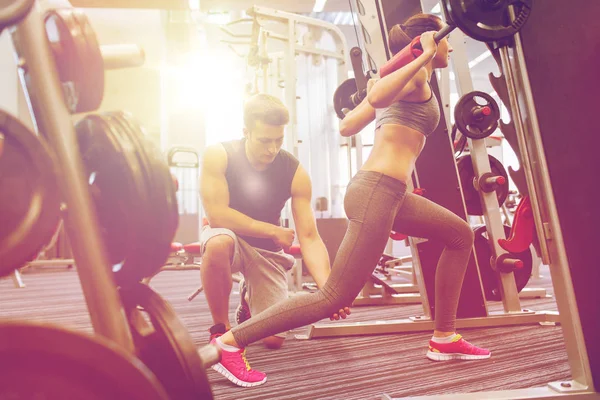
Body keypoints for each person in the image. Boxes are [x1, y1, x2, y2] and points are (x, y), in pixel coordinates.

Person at [212, 13, 492, 386]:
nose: (449, 46)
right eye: (444, 40)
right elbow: (374, 97)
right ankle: (231, 344)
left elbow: (347, 125)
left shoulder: (402, 80)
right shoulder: (418, 75)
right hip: (377, 190)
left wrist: (389, 81)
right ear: (430, 40)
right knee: (333, 296)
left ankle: (444, 336)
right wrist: (422, 58)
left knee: (460, 235)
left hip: (392, 194)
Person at [199, 93, 350, 387]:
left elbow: (309, 236)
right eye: (264, 140)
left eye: (278, 140)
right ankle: (221, 332)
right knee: (218, 242)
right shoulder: (219, 154)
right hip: (229, 238)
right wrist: (271, 230)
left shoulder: (293, 171)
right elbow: (217, 215)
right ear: (246, 132)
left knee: (274, 339)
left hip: (265, 253)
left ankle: (247, 303)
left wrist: (330, 289)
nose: (272, 149)